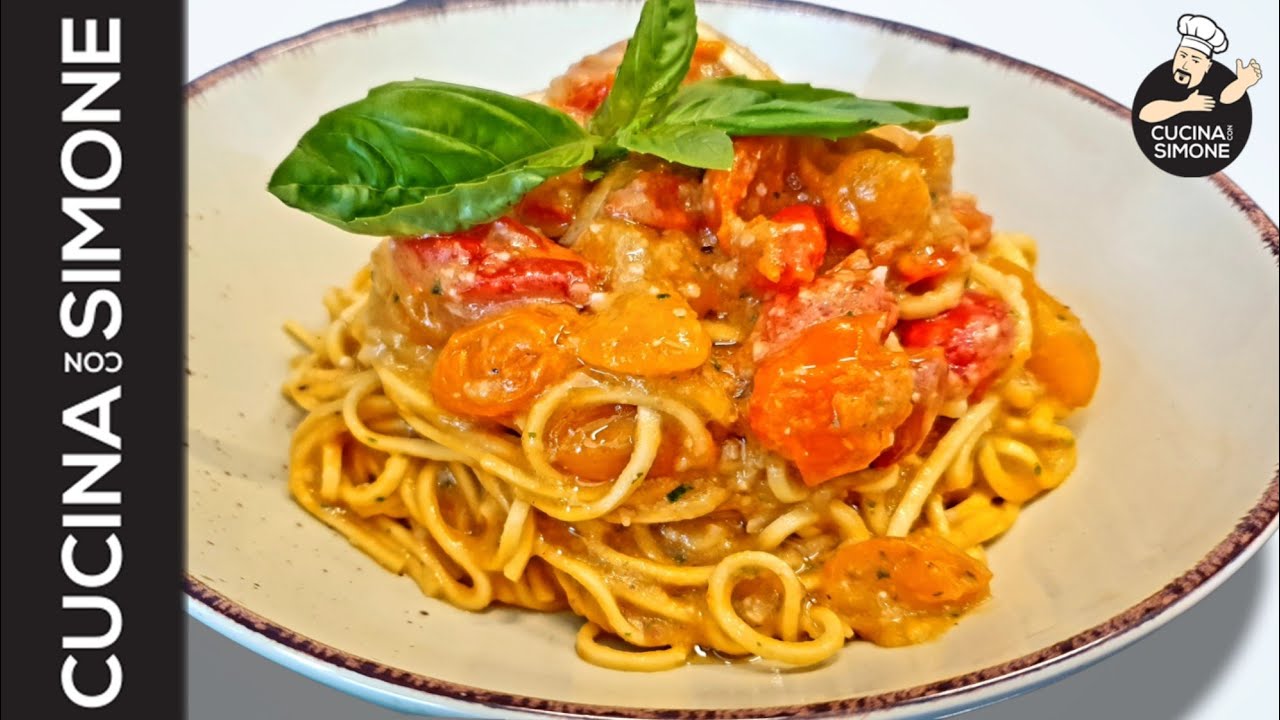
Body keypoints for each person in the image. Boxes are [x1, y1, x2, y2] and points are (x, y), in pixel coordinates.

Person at [1137, 14, 1262, 123]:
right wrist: (1185, 105)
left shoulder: (1210, 85)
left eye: (1195, 60)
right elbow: (1145, 114)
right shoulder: (1161, 79)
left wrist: (1242, 83)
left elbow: (1225, 98)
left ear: (1207, 66)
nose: (1185, 65)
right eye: (1182, 56)